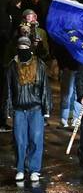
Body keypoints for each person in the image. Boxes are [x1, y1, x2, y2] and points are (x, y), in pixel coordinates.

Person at [4, 36, 52, 181]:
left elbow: (45, 87)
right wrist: (8, 108)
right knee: (19, 140)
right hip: (19, 109)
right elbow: (8, 89)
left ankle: (34, 169)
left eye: (26, 47)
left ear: (30, 48)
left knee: (36, 139)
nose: (23, 50)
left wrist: (47, 108)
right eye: (21, 48)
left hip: (36, 108)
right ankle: (20, 168)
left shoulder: (40, 65)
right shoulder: (12, 66)